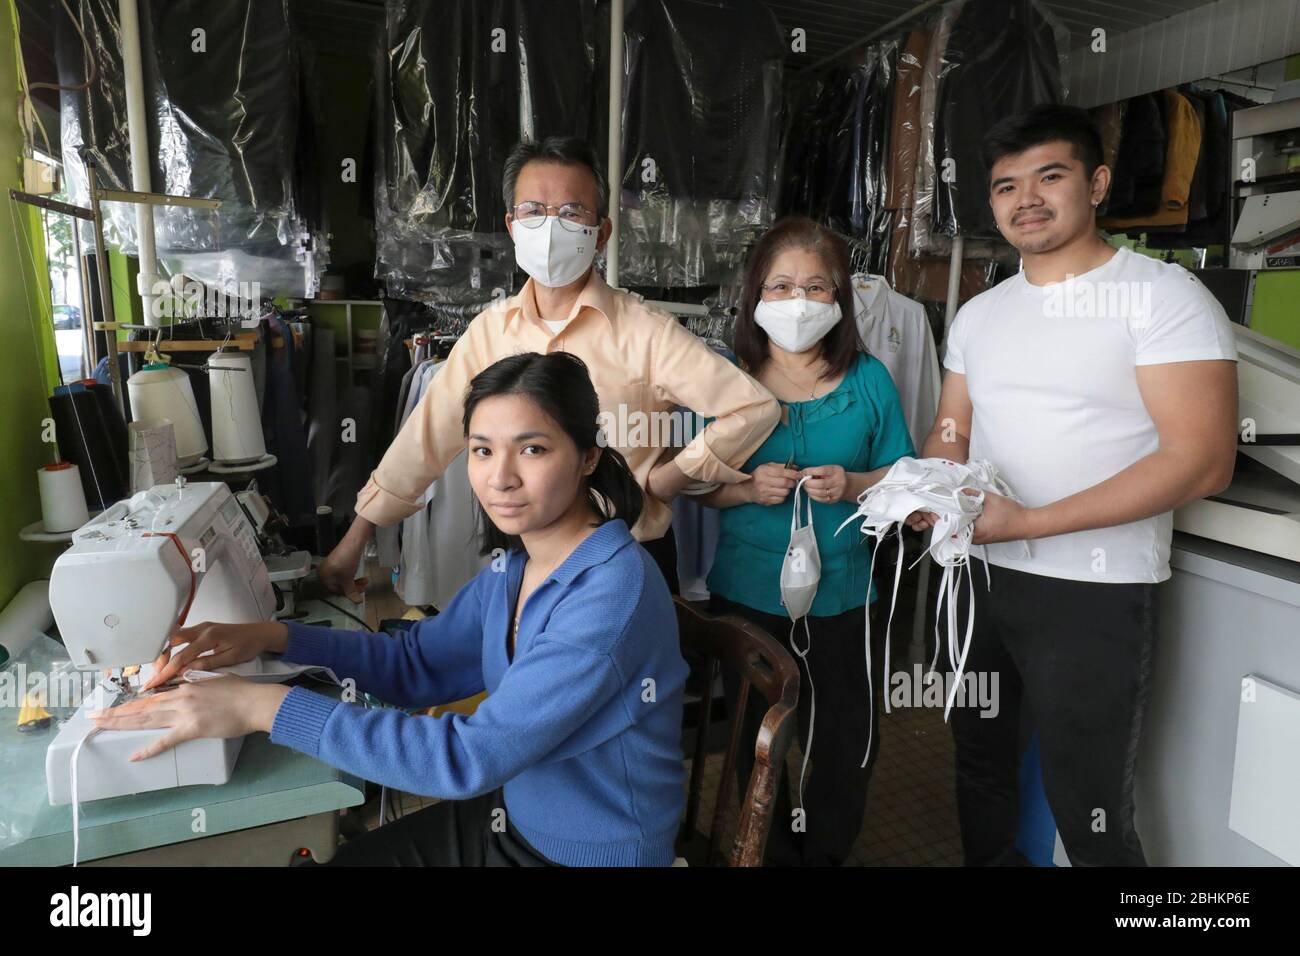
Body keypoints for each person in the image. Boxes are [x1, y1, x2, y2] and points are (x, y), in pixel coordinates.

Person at [96, 353, 691, 867]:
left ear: (588, 457)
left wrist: (260, 704)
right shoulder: (517, 569)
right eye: (482, 451)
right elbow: (414, 664)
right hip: (518, 817)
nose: (500, 477)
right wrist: (275, 637)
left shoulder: (609, 596)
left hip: (585, 852)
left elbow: (467, 757)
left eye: (532, 449)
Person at [909, 104, 1238, 866]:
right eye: (1005, 185)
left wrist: (1026, 521)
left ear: (1095, 183)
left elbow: (1202, 460)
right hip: (979, 577)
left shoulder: (1164, 299)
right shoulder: (981, 314)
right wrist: (933, 485)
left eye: (1048, 176)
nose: (1025, 198)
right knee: (980, 764)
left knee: (1086, 801)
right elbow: (953, 428)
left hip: (1091, 592)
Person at [320, 135, 780, 599]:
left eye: (571, 212)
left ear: (602, 232)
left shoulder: (646, 331)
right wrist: (354, 539)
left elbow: (753, 409)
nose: (551, 226)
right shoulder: (490, 333)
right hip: (522, 561)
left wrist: (667, 478)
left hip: (626, 562)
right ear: (512, 224)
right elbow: (425, 439)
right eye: (533, 210)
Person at [696, 216, 915, 866]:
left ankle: (824, 855)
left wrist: (854, 483)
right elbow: (688, 487)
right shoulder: (725, 381)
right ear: (755, 294)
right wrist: (742, 488)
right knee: (754, 746)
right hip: (748, 596)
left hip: (846, 597)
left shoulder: (869, 379)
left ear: (841, 299)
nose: (798, 302)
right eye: (782, 285)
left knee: (846, 744)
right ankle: (774, 856)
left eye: (816, 288)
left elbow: (903, 480)